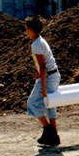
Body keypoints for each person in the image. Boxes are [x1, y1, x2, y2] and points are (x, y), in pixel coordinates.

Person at [25, 16, 61, 146]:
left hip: (49, 76)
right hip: (53, 75)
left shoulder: (36, 44)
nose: (26, 32)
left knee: (32, 103)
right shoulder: (39, 41)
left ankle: (48, 130)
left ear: (31, 30)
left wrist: (43, 87)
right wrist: (37, 73)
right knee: (49, 104)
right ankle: (54, 137)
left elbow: (43, 66)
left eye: (27, 29)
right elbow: (41, 64)